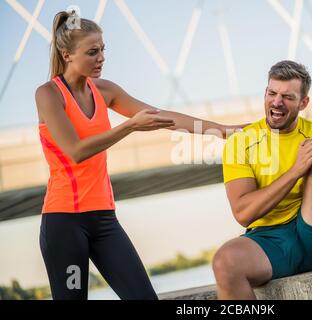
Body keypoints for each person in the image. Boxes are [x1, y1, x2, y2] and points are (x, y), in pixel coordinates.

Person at [36, 10, 243, 300]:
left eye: (103, 50)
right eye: (92, 52)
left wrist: (224, 131)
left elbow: (163, 116)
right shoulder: (48, 94)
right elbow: (75, 151)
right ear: (67, 54)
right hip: (65, 224)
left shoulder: (105, 90)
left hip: (104, 220)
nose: (101, 58)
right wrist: (130, 126)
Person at [213, 60, 312, 299]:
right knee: (224, 262)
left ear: (303, 102)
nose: (277, 102)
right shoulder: (242, 142)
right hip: (270, 241)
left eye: (288, 97)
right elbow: (243, 213)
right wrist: (296, 170)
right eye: (272, 93)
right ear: (265, 94)